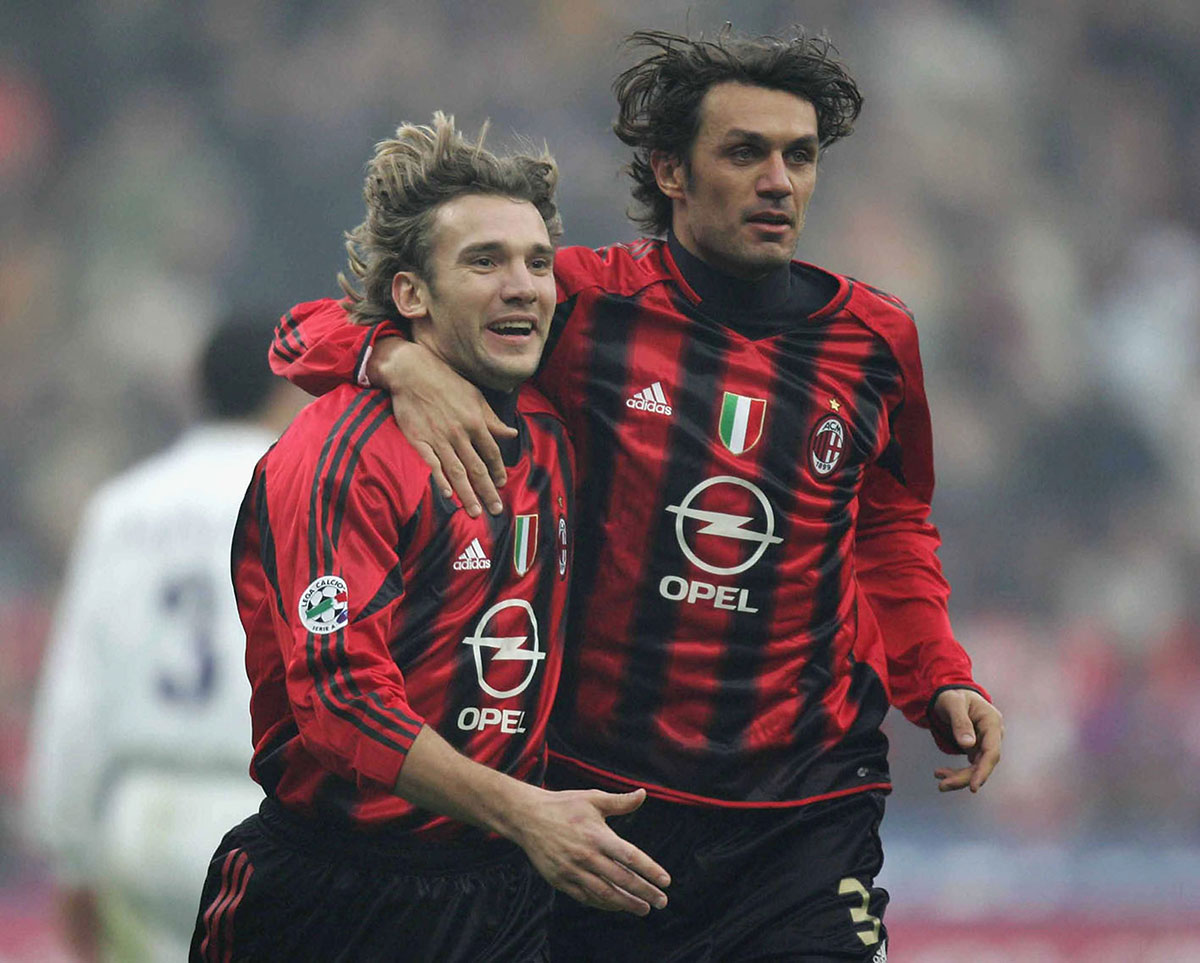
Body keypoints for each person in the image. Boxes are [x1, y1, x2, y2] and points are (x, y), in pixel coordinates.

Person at [267, 30, 1005, 962]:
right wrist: (394, 357)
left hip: (807, 809)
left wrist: (934, 669)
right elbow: (300, 334)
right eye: (745, 153)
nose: (779, 180)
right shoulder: (578, 298)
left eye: (801, 156)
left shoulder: (875, 337)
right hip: (605, 799)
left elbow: (891, 521)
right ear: (670, 170)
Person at [189, 114, 670, 963]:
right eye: (483, 261)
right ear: (411, 295)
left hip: (501, 889)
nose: (521, 284)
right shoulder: (342, 452)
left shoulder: (555, 434)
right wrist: (526, 811)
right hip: (333, 893)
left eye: (534, 261)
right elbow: (341, 704)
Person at [24, 316, 307, 962]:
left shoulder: (123, 508)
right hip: (263, 813)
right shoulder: (304, 499)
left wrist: (69, 851)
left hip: (142, 817)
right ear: (287, 389)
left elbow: (77, 692)